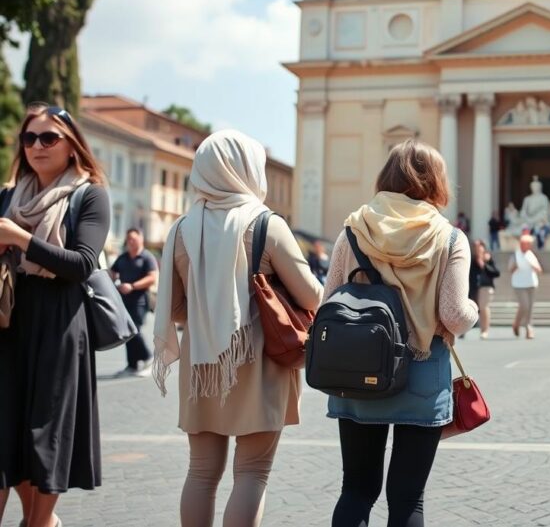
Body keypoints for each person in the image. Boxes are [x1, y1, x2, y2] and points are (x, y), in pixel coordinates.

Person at [151, 130, 323, 526]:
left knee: (200, 472)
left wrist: (211, 316)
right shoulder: (265, 223)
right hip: (258, 360)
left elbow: (177, 309)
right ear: (246, 169)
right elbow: (312, 296)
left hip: (201, 364)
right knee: (252, 473)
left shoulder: (180, 229)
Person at [323, 140, 477, 527]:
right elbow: (454, 315)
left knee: (356, 490)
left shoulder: (353, 230)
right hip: (422, 374)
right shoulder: (449, 238)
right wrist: (475, 311)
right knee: (409, 500)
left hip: (358, 369)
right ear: (436, 181)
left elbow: (328, 301)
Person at [0, 103, 111, 527]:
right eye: (29, 138)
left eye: (49, 138)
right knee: (6, 431)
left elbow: (82, 262)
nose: (37, 146)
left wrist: (20, 238)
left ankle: (40, 522)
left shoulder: (89, 194)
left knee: (45, 432)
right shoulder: (10, 195)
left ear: (72, 145)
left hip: (60, 321)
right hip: (9, 319)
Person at [110, 228, 158, 377]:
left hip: (140, 300)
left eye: (133, 238)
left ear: (141, 239)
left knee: (134, 330)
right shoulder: (123, 257)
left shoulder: (147, 257)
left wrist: (133, 286)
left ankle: (148, 357)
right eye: (128, 239)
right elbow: (112, 273)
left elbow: (152, 277)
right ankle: (132, 364)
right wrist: (113, 283)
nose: (130, 241)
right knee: (126, 332)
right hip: (123, 300)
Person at [510, 233, 542, 340]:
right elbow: (510, 269)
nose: (527, 245)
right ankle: (517, 323)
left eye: (528, 244)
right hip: (519, 284)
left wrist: (535, 267)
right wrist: (515, 266)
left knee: (530, 307)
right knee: (524, 305)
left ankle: (529, 328)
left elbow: (539, 269)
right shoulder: (515, 255)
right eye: (524, 243)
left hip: (531, 283)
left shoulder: (530, 255)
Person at [473, 239, 500, 339]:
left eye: (479, 247)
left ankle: (485, 330)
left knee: (484, 307)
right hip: (475, 287)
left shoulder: (487, 259)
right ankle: (482, 329)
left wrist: (484, 264)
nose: (477, 250)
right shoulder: (473, 259)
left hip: (486, 286)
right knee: (479, 308)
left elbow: (496, 273)